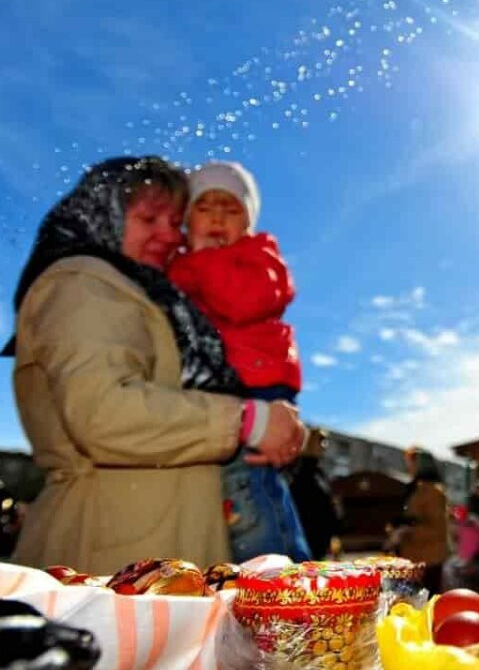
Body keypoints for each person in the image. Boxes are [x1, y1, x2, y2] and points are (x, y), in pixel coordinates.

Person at [4, 157, 305, 572]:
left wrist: (275, 429)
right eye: (149, 219)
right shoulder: (83, 281)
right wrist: (248, 421)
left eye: (174, 222)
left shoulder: (152, 294)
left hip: (154, 550)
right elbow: (103, 412)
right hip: (109, 557)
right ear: (103, 212)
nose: (168, 235)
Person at [168, 160, 311, 562]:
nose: (217, 217)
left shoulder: (257, 256)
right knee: (227, 499)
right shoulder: (179, 264)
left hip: (256, 384)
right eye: (204, 207)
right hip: (220, 387)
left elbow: (242, 302)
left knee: (250, 492)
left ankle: (283, 580)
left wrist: (202, 259)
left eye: (231, 209)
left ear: (248, 222)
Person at [391, 447, 449, 593]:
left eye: (410, 461)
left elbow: (437, 530)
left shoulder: (433, 492)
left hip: (428, 561)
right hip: (415, 559)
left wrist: (406, 531)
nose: (407, 466)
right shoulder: (417, 488)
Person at [287, 428, 341, 559]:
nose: (324, 446)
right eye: (320, 440)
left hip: (321, 544)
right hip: (306, 544)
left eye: (325, 441)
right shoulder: (296, 472)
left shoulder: (320, 473)